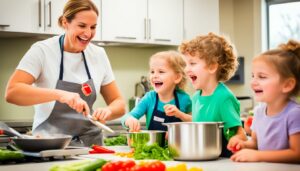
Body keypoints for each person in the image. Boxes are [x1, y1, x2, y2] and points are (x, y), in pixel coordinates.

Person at [5, 0, 125, 146]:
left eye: (93, 27)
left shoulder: (98, 54)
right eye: (82, 26)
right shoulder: (42, 50)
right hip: (50, 144)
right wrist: (61, 94)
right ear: (65, 22)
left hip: (91, 146)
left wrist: (109, 111)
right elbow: (12, 92)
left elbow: (119, 103)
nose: (88, 33)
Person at [230, 40, 300, 163]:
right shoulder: (259, 112)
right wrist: (243, 145)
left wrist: (258, 156)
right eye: (253, 76)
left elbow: (297, 154)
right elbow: (256, 143)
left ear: (287, 85)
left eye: (262, 77)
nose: (253, 82)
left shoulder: (294, 114)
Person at [179, 32, 247, 157]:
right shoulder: (196, 98)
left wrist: (236, 140)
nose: (186, 69)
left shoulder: (223, 98)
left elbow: (240, 134)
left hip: (225, 160)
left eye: (192, 63)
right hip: (204, 157)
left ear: (212, 67)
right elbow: (199, 127)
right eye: (186, 64)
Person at [121, 51, 192, 131]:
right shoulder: (149, 98)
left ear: (177, 77)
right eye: (152, 72)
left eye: (161, 72)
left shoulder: (184, 99)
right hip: (154, 143)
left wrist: (180, 114)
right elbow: (127, 116)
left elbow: (194, 123)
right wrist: (129, 120)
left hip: (178, 143)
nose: (154, 76)